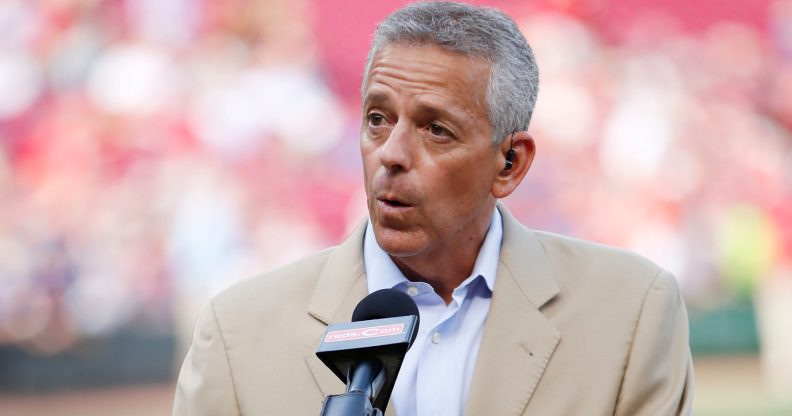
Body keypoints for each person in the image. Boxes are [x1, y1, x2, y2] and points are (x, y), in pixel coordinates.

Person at [173, 2, 694, 415]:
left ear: (510, 163)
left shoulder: (631, 312)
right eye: (378, 118)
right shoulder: (237, 334)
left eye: (435, 129)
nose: (392, 154)